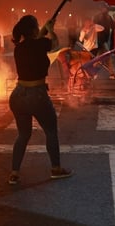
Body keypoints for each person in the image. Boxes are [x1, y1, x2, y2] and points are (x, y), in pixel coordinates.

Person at [7, 15, 72, 184]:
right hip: (37, 95)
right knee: (50, 131)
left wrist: (43, 30)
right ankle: (56, 169)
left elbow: (35, 43)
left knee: (23, 134)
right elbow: (55, 43)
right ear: (34, 30)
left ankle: (14, 173)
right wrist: (51, 29)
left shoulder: (19, 48)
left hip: (18, 95)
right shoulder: (41, 44)